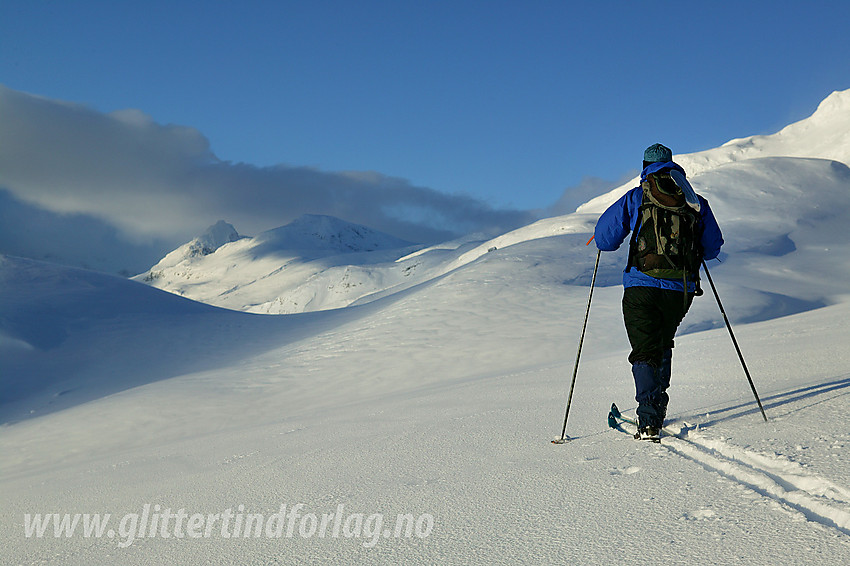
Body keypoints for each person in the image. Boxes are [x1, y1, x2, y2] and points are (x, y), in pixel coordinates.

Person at [594, 143, 724, 441]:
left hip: (641, 285)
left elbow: (604, 239)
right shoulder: (694, 201)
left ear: (645, 166)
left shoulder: (638, 196)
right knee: (662, 343)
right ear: (673, 165)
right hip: (681, 290)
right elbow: (713, 247)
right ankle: (656, 407)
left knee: (645, 349)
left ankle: (649, 419)